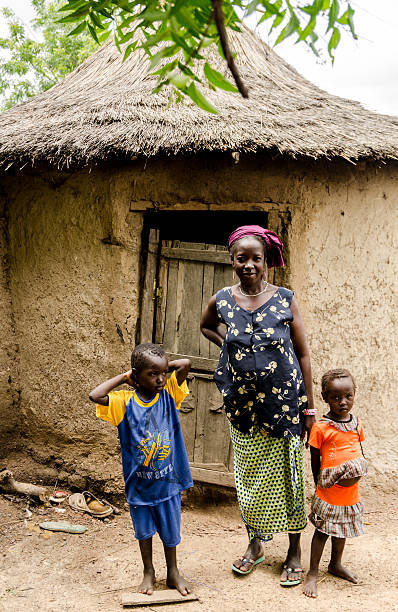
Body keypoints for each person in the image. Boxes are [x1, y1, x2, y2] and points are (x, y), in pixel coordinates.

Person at [200, 224, 315, 587]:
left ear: (267, 262)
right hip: (243, 408)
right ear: (232, 260)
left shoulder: (284, 298)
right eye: (241, 258)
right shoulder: (221, 300)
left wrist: (309, 408)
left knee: (290, 480)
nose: (249, 265)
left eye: (256, 259)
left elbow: (303, 354)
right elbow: (206, 326)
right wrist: (228, 347)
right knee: (248, 479)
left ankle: (295, 550)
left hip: (284, 406)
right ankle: (256, 545)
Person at [89, 343, 193, 596]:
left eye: (163, 373)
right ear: (136, 375)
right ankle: (148, 571)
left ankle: (173, 572)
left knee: (170, 533)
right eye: (152, 374)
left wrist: (160, 366)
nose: (160, 379)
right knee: (144, 532)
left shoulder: (169, 394)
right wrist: (126, 377)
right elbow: (96, 395)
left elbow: (186, 364)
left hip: (169, 482)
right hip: (139, 486)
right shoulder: (124, 402)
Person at [303, 368, 367, 598]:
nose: (343, 402)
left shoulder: (357, 424)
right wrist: (318, 484)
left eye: (348, 396)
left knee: (342, 530)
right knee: (322, 531)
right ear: (325, 398)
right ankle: (312, 572)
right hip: (329, 492)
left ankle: (335, 564)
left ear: (354, 394)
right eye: (336, 397)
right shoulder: (321, 427)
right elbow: (314, 458)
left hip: (350, 493)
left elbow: (357, 452)